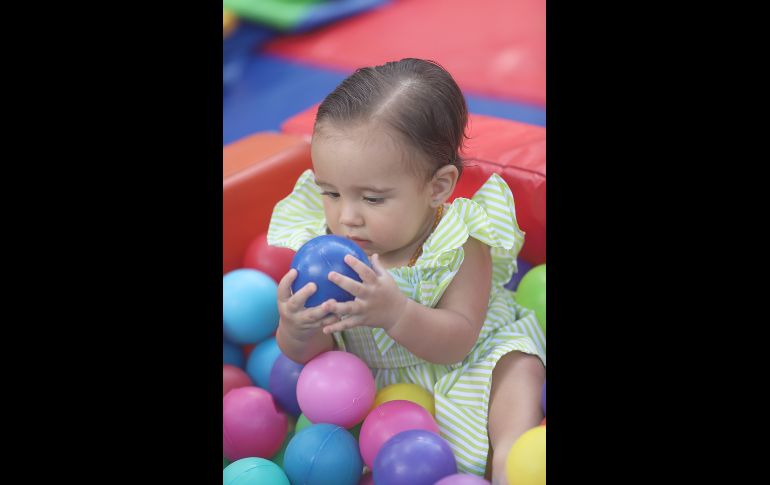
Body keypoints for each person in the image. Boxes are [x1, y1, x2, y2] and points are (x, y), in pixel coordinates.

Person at [267, 58, 546, 484]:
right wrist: (297, 327)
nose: (346, 218)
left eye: (373, 199)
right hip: (378, 395)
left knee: (518, 369)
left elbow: (460, 339)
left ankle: (511, 461)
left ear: (438, 187)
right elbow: (310, 358)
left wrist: (395, 312)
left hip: (472, 365)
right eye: (331, 192)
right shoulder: (323, 251)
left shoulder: (459, 240)